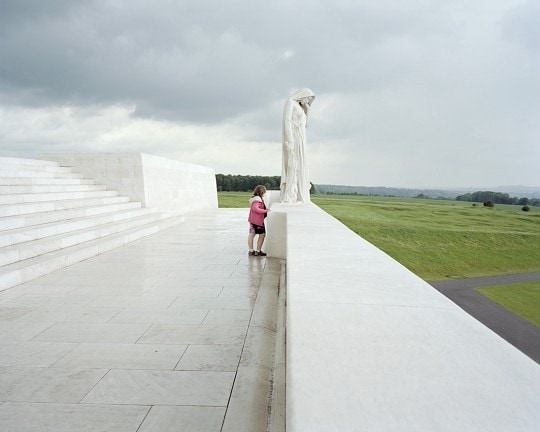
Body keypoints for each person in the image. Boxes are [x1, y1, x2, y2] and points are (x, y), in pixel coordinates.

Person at [280, 88, 315, 203]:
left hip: (301, 140)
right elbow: (287, 121)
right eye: (308, 99)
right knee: (294, 165)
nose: (308, 101)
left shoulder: (301, 107)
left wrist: (307, 110)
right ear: (303, 95)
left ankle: (301, 193)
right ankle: (291, 194)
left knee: (301, 166)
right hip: (294, 138)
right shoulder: (290, 102)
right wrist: (290, 140)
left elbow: (306, 124)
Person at [248, 185, 271, 256]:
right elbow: (256, 209)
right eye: (264, 192)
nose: (264, 193)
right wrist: (266, 211)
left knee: (251, 235)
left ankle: (251, 251)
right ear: (261, 192)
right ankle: (258, 251)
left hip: (253, 220)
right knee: (262, 235)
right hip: (258, 222)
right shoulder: (258, 200)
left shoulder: (255, 198)